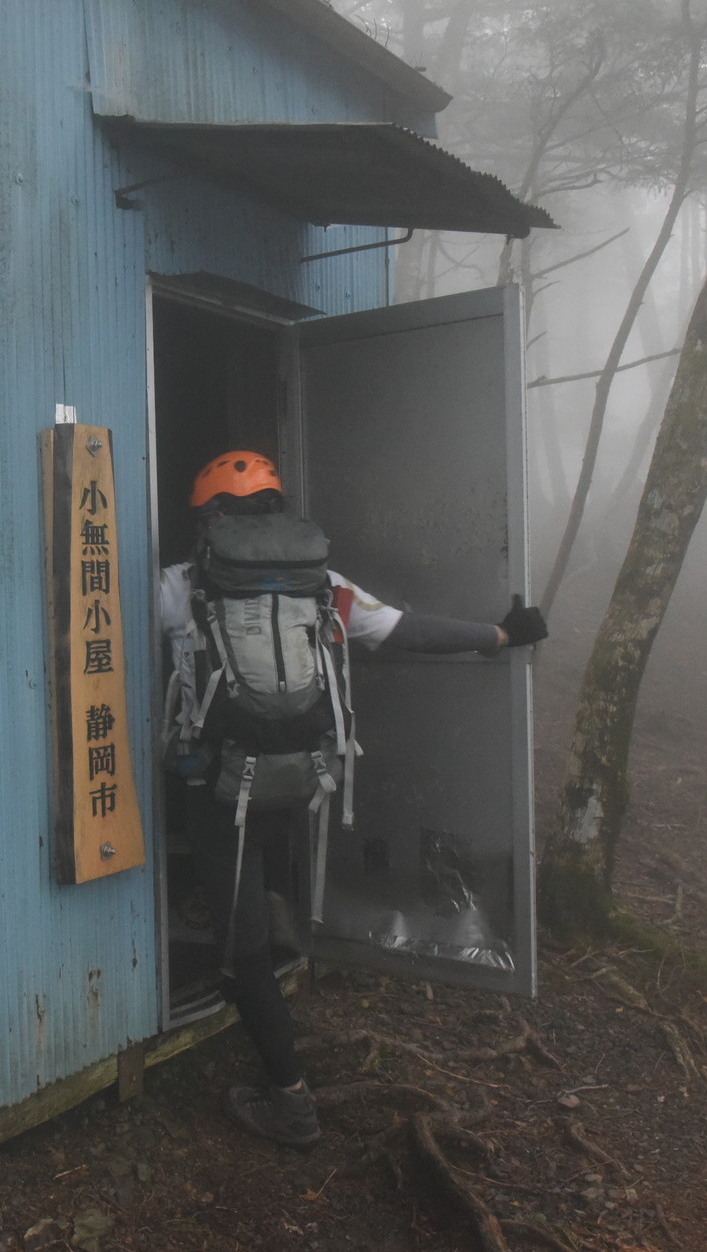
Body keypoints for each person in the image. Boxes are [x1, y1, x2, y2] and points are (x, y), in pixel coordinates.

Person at [157, 451, 547, 1149]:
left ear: (208, 518)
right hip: (306, 776)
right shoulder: (324, 586)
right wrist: (499, 635)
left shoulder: (179, 587)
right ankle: (269, 930)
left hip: (219, 790)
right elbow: (408, 630)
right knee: (265, 870)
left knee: (239, 948)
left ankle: (290, 1101)